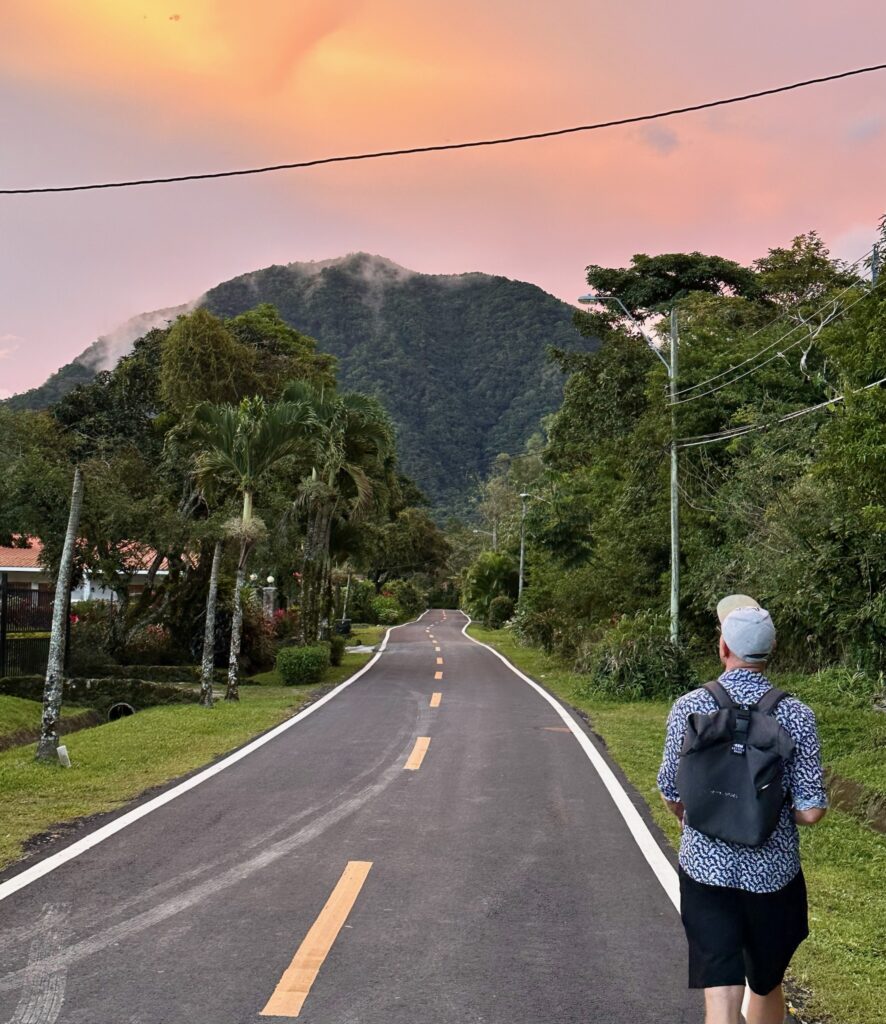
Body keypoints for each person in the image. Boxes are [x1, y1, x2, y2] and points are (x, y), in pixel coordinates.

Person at [657, 595, 828, 1024]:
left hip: (705, 871)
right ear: (771, 652)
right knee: (767, 983)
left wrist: (696, 815)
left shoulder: (690, 707)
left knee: (721, 992)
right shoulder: (798, 715)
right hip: (773, 877)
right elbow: (811, 811)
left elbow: (668, 789)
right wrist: (764, 808)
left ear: (723, 648)